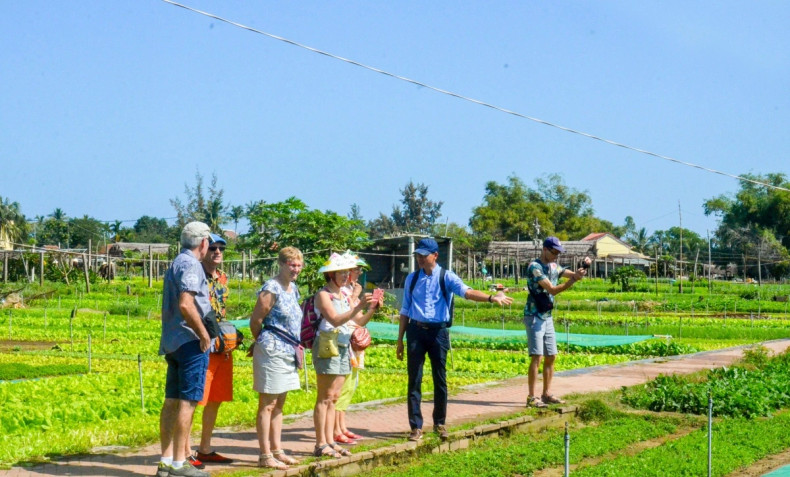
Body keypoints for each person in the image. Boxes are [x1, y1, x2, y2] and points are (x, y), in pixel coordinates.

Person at [396, 238, 513, 442]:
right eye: (418, 255)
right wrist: (400, 340)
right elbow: (405, 309)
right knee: (414, 379)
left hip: (438, 332)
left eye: (424, 255)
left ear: (435, 256)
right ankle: (415, 426)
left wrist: (490, 297)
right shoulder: (412, 279)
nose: (420, 259)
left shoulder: (446, 277)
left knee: (440, 379)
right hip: (415, 331)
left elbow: (467, 292)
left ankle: (439, 423)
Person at [156, 222, 213, 477]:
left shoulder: (176, 262)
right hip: (190, 341)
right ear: (203, 242)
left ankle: (166, 461)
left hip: (172, 340)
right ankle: (180, 463)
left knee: (172, 400)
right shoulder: (192, 265)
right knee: (188, 403)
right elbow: (186, 304)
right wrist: (203, 334)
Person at [312, 253, 379, 458]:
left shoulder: (345, 294)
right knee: (324, 397)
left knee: (334, 397)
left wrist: (372, 308)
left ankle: (330, 441)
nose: (345, 275)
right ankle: (320, 443)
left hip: (343, 346)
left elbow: (359, 321)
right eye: (340, 272)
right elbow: (334, 319)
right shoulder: (323, 295)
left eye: (346, 272)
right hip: (327, 346)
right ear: (330, 274)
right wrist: (358, 305)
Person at [249, 247, 306, 470]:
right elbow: (256, 320)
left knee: (280, 403)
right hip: (272, 350)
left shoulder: (293, 288)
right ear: (281, 264)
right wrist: (263, 342)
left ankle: (277, 450)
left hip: (289, 350)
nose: (296, 269)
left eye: (299, 265)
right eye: (292, 265)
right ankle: (264, 455)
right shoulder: (271, 288)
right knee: (268, 403)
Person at [184, 234, 234, 469]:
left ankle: (204, 448)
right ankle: (185, 451)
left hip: (222, 344)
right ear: (204, 249)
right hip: (202, 341)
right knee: (195, 399)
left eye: (221, 248)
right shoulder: (196, 275)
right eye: (213, 247)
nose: (217, 252)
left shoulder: (222, 277)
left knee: (216, 398)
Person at [524, 236, 590, 408]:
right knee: (537, 356)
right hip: (534, 315)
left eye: (558, 253)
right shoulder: (535, 267)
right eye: (554, 252)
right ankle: (531, 397)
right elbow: (552, 289)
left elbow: (571, 274)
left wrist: (582, 269)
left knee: (551, 355)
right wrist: (573, 280)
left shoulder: (554, 266)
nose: (556, 256)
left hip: (547, 316)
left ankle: (546, 394)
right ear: (545, 249)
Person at [333, 252, 371, 444]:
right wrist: (356, 297)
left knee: (350, 385)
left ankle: (342, 426)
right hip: (341, 342)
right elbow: (345, 314)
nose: (357, 273)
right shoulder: (340, 292)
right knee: (341, 386)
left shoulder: (350, 290)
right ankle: (335, 429)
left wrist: (371, 307)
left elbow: (360, 318)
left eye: (358, 270)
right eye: (355, 270)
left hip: (353, 343)